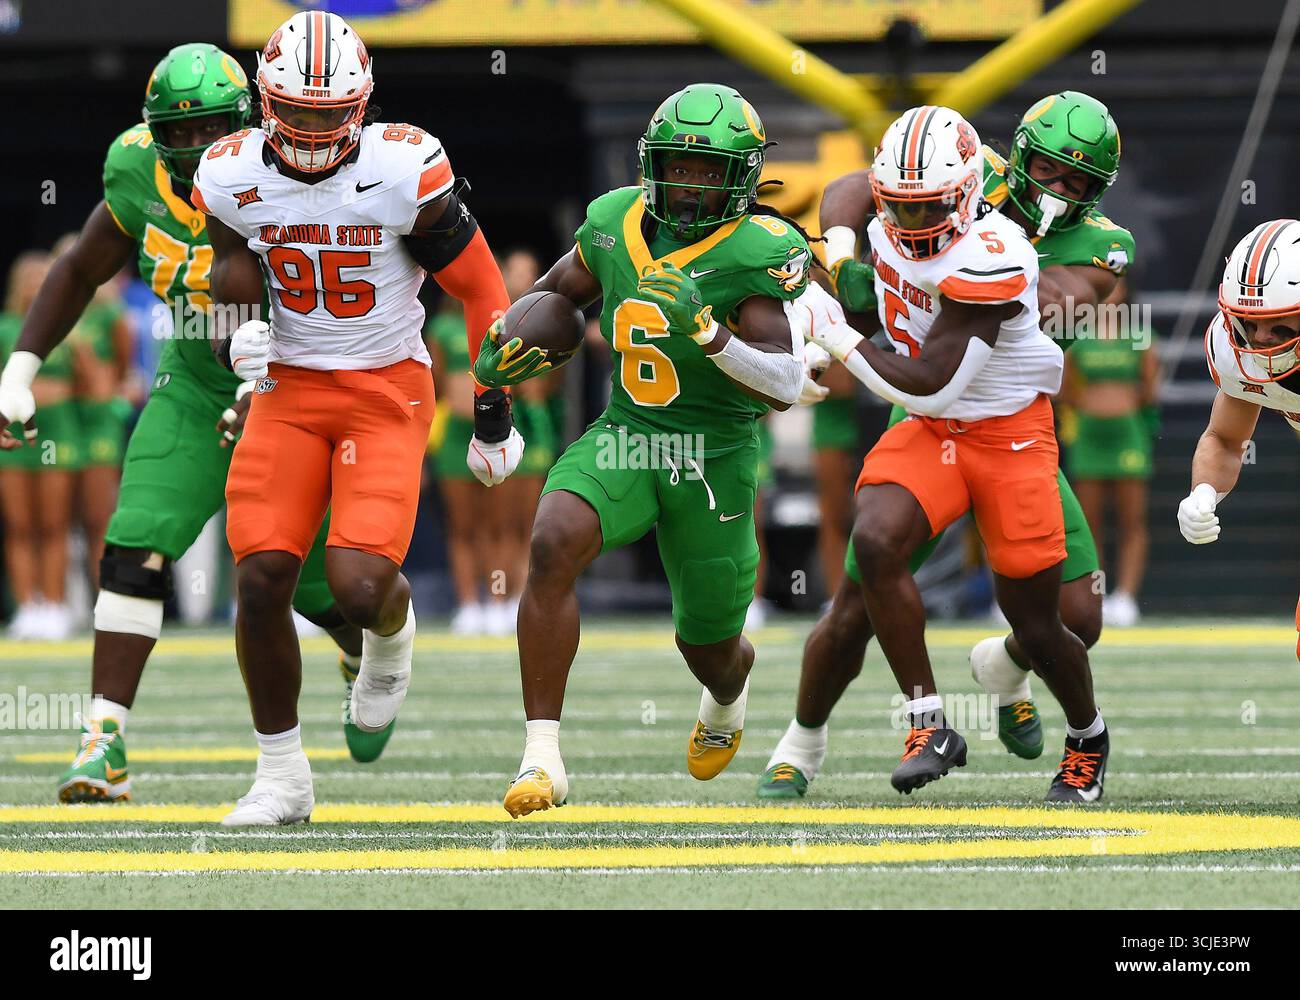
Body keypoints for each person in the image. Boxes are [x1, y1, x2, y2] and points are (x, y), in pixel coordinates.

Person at [0, 42, 392, 804]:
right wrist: (20, 368)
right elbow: (83, 265)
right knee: (134, 545)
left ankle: (361, 649)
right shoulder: (135, 168)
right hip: (193, 378)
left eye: (209, 129)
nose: (191, 148)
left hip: (297, 380)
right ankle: (102, 739)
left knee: (309, 583)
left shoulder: (292, 167)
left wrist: (266, 382)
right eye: (175, 133)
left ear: (247, 120)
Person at [193, 10, 515, 825]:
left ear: (362, 107)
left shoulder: (405, 168)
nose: (306, 129)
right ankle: (281, 777)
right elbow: (231, 267)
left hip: (384, 388)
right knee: (262, 575)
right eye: (293, 113)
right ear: (263, 103)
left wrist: (491, 409)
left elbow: (480, 290)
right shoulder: (229, 172)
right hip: (290, 390)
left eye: (325, 114)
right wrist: (237, 337)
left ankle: (390, 642)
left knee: (360, 583)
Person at [760, 92, 1131, 798]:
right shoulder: (944, 178)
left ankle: (1022, 682)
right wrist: (843, 255)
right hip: (932, 422)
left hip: (1008, 423)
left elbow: (1034, 301)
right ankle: (807, 740)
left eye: (1078, 184)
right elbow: (850, 190)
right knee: (864, 580)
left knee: (1068, 619)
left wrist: (843, 323)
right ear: (1014, 160)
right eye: (1048, 172)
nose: (1058, 192)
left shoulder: (1073, 248)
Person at [473, 83, 811, 817]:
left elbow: (785, 382)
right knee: (554, 538)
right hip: (629, 435)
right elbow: (562, 296)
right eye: (675, 166)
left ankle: (729, 691)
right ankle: (541, 758)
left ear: (743, 177)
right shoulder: (612, 221)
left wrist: (709, 333)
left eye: (708, 170)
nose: (687, 185)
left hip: (713, 457)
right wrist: (505, 356)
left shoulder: (759, 249)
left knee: (710, 645)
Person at [1179, 219, 1300, 660]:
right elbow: (1227, 439)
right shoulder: (1239, 357)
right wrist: (1204, 492)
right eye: (1250, 324)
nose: (1261, 344)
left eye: (1281, 329)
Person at [1060, 277, 1158, 626]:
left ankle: (1127, 597)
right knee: (1090, 522)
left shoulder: (1139, 332)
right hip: (1088, 434)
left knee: (1132, 520)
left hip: (1128, 434)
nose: (1110, 291)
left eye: (1118, 285)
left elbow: (1150, 388)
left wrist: (1123, 403)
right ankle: (1096, 594)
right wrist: (1089, 402)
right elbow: (1064, 387)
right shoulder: (1076, 336)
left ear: (1127, 290)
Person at [0, 251, 78, 640]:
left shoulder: (67, 329)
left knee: (54, 525)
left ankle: (54, 605)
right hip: (13, 437)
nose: (35, 286)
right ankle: (27, 607)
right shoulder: (5, 327)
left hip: (59, 433)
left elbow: (89, 388)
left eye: (42, 279)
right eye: (29, 279)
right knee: (19, 526)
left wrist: (54, 390)